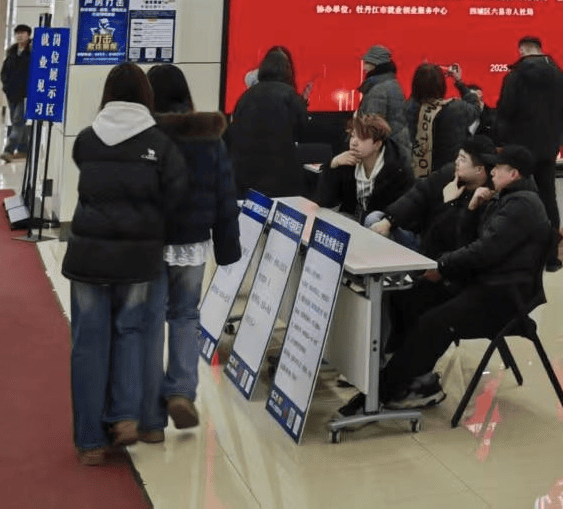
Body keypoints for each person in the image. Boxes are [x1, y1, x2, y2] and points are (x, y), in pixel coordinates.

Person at [62, 62, 186, 465]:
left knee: (88, 343)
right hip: (138, 257)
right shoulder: (161, 144)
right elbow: (176, 196)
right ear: (146, 97)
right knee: (130, 332)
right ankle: (125, 416)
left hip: (87, 256)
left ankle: (89, 442)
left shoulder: (86, 140)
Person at [376, 144, 550, 409]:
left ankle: (384, 390)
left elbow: (484, 251)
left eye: (498, 168)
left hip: (503, 296)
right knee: (412, 297)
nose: (493, 172)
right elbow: (469, 244)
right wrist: (470, 209)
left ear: (513, 174)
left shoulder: (521, 205)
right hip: (484, 283)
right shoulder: (504, 199)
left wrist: (442, 265)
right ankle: (410, 378)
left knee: (434, 322)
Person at [146, 64, 241, 440]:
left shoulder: (144, 135)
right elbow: (225, 194)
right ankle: (182, 392)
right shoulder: (208, 136)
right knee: (185, 315)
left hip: (150, 242)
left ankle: (150, 407)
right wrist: (227, 248)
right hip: (192, 243)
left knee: (151, 319)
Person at [495, 36, 563, 270]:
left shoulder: (514, 76)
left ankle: (521, 257)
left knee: (518, 200)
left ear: (522, 51)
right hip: (548, 148)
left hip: (519, 151)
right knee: (549, 199)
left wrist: (501, 143)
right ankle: (551, 257)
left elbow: (505, 112)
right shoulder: (561, 76)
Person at [368, 135, 498, 255]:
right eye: (458, 156)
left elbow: (454, 240)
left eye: (463, 159)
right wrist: (390, 220)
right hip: (421, 237)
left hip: (438, 255)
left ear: (479, 169)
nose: (457, 162)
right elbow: (418, 194)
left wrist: (449, 204)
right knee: (374, 219)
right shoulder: (450, 173)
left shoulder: (486, 196)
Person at [226, 50, 307, 198]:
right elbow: (302, 132)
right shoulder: (290, 95)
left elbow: (233, 130)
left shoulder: (245, 96)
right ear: (287, 70)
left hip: (244, 174)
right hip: (280, 175)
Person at [314, 113, 413, 224]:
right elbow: (323, 201)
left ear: (377, 144)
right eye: (352, 136)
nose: (354, 143)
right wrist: (333, 164)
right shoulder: (347, 157)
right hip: (353, 217)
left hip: (383, 224)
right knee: (327, 216)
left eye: (362, 138)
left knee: (372, 219)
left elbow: (403, 209)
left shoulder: (398, 167)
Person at [404, 63, 479, 179]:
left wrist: (422, 85)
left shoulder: (410, 109)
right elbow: (475, 107)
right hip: (448, 176)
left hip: (417, 174)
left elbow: (415, 97)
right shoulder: (456, 109)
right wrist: (459, 82)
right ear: (442, 85)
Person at [356, 44, 410, 153]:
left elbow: (372, 128)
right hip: (396, 147)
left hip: (383, 150)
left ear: (376, 64)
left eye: (367, 63)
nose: (364, 67)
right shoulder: (393, 84)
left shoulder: (378, 90)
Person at [0, 23, 33, 162]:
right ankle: (24, 149)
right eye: (17, 33)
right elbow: (4, 71)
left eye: (23, 33)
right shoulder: (11, 52)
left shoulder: (32, 52)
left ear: (28, 35)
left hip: (25, 93)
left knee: (17, 121)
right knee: (18, 121)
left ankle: (8, 150)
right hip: (11, 93)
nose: (19, 36)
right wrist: (6, 86)